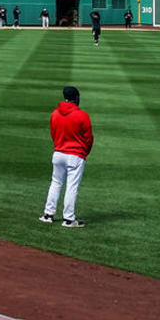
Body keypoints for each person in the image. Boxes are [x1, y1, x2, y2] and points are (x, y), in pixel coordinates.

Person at [40, 85, 93, 227]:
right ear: (76, 98)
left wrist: (58, 146)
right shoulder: (82, 115)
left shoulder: (55, 114)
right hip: (75, 155)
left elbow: (53, 134)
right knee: (71, 186)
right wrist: (83, 153)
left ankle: (48, 214)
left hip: (58, 153)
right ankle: (68, 219)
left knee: (55, 183)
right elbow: (89, 139)